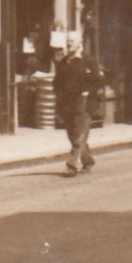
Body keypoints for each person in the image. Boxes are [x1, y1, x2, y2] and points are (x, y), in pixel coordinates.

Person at [54, 36, 99, 176]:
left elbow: (98, 81)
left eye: (71, 41)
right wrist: (58, 95)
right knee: (73, 135)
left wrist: (87, 92)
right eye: (67, 41)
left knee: (79, 134)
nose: (68, 43)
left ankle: (71, 165)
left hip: (84, 103)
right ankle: (88, 161)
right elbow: (57, 82)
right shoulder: (64, 62)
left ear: (80, 42)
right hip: (67, 103)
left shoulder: (89, 61)